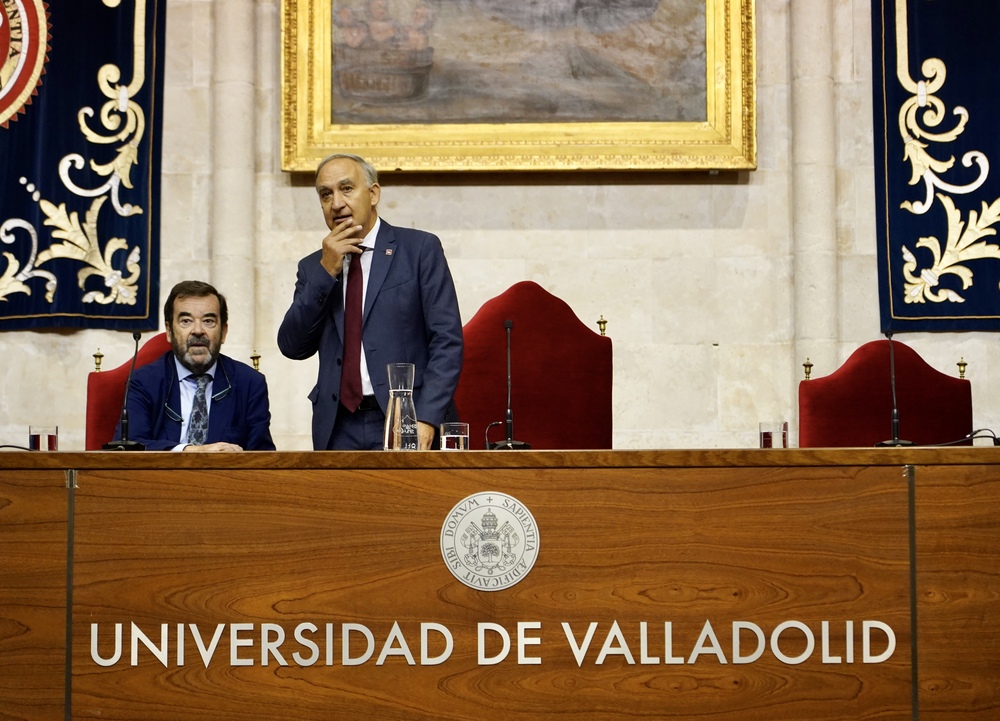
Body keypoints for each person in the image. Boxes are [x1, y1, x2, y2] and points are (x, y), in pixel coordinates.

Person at [277, 153, 463, 450]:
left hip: (405, 419)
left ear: (373, 193)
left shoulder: (419, 250)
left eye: (346, 189)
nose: (336, 203)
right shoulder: (314, 267)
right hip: (338, 426)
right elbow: (292, 346)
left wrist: (427, 417)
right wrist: (326, 272)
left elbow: (447, 341)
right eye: (326, 194)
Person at [117, 280, 276, 452]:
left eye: (208, 321)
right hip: (158, 478)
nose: (198, 330)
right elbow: (129, 446)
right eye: (186, 321)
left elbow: (263, 458)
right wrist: (192, 451)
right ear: (169, 332)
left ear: (223, 332)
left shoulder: (250, 383)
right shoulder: (144, 382)